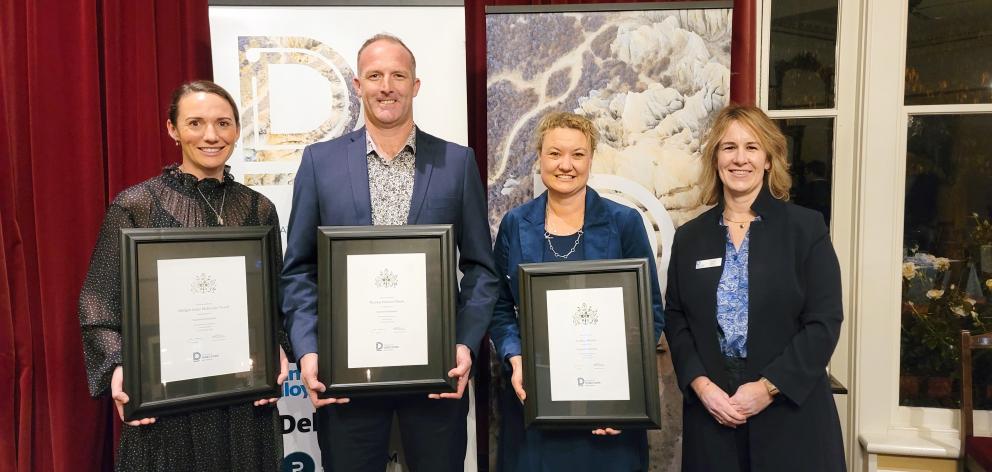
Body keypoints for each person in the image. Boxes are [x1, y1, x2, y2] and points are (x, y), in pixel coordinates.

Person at [280, 33, 499, 471]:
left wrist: (465, 344)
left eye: (398, 75)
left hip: (437, 371)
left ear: (416, 85)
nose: (387, 86)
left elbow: (480, 268)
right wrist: (308, 350)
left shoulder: (456, 163)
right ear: (358, 85)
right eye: (376, 76)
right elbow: (299, 269)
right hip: (345, 373)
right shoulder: (319, 163)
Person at [78, 80, 289, 471]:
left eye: (223, 123)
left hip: (244, 406)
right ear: (173, 129)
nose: (211, 135)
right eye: (195, 123)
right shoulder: (136, 206)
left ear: (237, 130)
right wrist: (120, 367)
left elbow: (274, 297)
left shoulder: (260, 209)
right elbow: (98, 301)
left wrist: (275, 346)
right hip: (165, 406)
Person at [664, 104, 845, 471]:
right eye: (729, 147)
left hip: (790, 414)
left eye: (752, 147)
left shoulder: (805, 229)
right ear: (716, 158)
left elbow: (823, 322)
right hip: (713, 413)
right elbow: (676, 318)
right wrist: (702, 387)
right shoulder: (689, 237)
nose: (740, 158)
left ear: (768, 159)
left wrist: (767, 388)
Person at [487, 111, 665, 471]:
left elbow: (650, 311)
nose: (565, 164)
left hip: (608, 407)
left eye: (577, 154)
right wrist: (515, 357)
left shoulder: (624, 223)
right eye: (554, 153)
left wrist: (624, 391)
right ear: (539, 157)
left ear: (591, 159)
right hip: (534, 398)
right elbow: (499, 306)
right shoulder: (515, 224)